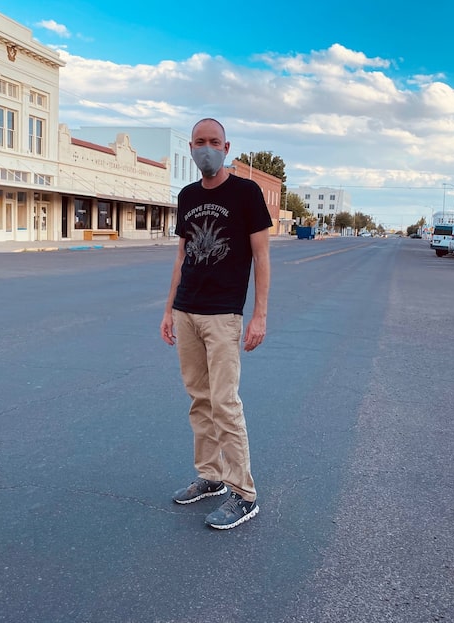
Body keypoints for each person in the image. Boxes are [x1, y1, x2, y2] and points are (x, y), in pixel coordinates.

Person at [160, 118, 271, 530]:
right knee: (199, 399)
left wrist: (259, 314)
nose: (206, 148)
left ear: (227, 148)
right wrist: (169, 309)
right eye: (199, 142)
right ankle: (210, 476)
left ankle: (244, 494)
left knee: (225, 402)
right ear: (191, 148)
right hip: (187, 310)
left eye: (214, 142)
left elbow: (261, 257)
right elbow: (181, 256)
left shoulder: (246, 192)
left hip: (224, 315)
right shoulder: (187, 195)